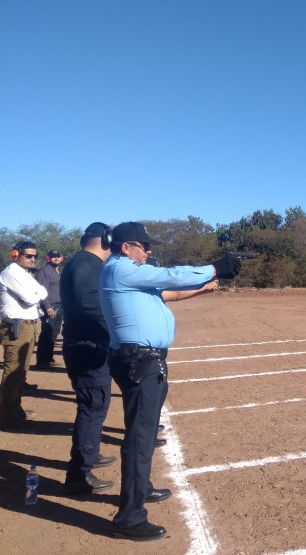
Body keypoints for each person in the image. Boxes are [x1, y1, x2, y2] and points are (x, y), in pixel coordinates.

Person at [100, 222, 240, 541]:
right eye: (144, 246)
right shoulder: (122, 269)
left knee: (145, 431)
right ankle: (130, 517)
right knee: (139, 435)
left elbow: (171, 291)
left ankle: (141, 488)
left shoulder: (128, 273)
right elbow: (172, 275)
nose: (149, 251)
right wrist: (213, 267)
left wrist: (208, 281)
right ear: (126, 247)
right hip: (140, 360)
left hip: (147, 360)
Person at [61, 223, 117, 494]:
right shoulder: (87, 264)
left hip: (85, 344)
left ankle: (90, 454)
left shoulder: (82, 262)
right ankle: (79, 476)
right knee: (92, 408)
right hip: (87, 347)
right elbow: (89, 305)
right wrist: (115, 330)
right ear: (105, 240)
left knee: (95, 406)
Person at [0, 241, 48, 430]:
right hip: (16, 326)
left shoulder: (24, 274)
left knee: (21, 372)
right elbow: (31, 298)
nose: (32, 259)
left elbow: (42, 292)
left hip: (28, 325)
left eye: (34, 256)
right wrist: (35, 293)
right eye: (28, 256)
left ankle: (14, 410)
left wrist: (34, 292)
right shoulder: (11, 273)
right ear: (15, 254)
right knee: (12, 372)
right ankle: (7, 416)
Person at [34, 249, 64, 369]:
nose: (56, 258)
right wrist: (47, 307)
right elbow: (41, 291)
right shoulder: (44, 272)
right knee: (47, 332)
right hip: (50, 306)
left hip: (58, 306)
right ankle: (42, 361)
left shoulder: (56, 271)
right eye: (53, 257)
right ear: (48, 258)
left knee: (54, 332)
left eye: (58, 256)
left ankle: (48, 358)